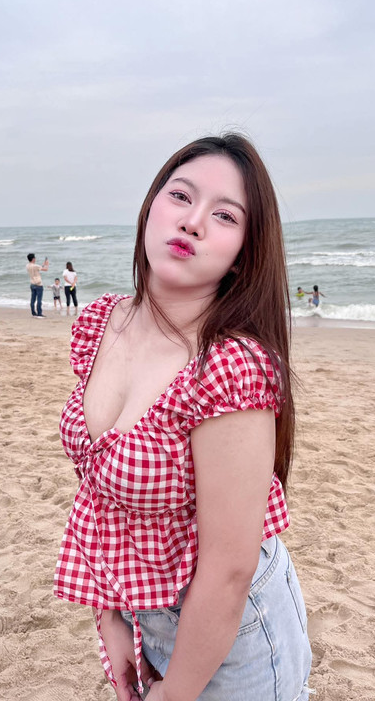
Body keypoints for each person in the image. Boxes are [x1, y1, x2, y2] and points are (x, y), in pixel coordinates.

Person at [54, 134, 312, 701]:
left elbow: (228, 568)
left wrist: (175, 694)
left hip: (234, 637)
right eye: (180, 196)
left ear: (243, 252)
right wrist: (111, 616)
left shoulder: (230, 367)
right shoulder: (102, 322)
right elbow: (99, 494)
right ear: (151, 206)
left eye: (224, 215)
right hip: (139, 606)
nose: (193, 222)